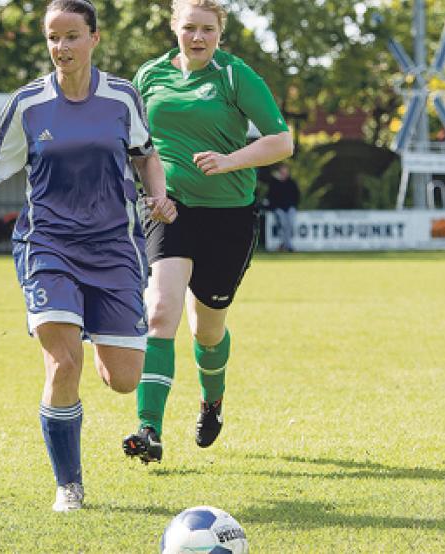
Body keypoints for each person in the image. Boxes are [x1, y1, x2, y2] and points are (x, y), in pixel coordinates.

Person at [0, 0, 176, 512]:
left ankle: (88, 327)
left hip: (113, 248)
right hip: (49, 245)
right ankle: (69, 485)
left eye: (72, 36)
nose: (61, 47)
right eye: (53, 38)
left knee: (123, 379)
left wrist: (159, 196)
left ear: (94, 39)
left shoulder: (122, 97)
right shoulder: (29, 103)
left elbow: (146, 154)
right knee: (63, 363)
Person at [121, 0, 293, 465]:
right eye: (189, 28)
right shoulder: (149, 77)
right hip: (170, 210)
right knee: (159, 312)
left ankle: (211, 401)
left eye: (208, 30)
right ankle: (148, 429)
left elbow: (282, 141)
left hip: (229, 216)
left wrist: (229, 160)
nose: (198, 37)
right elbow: (136, 146)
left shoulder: (236, 76)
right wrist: (149, 189)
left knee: (208, 328)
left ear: (221, 33)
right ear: (173, 27)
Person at [262, 163, 299, 251]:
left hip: (290, 208)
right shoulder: (274, 183)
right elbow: (270, 197)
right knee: (283, 224)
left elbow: (296, 196)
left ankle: (285, 245)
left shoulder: (291, 183)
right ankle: (288, 245)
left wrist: (293, 205)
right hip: (278, 209)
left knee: (289, 224)